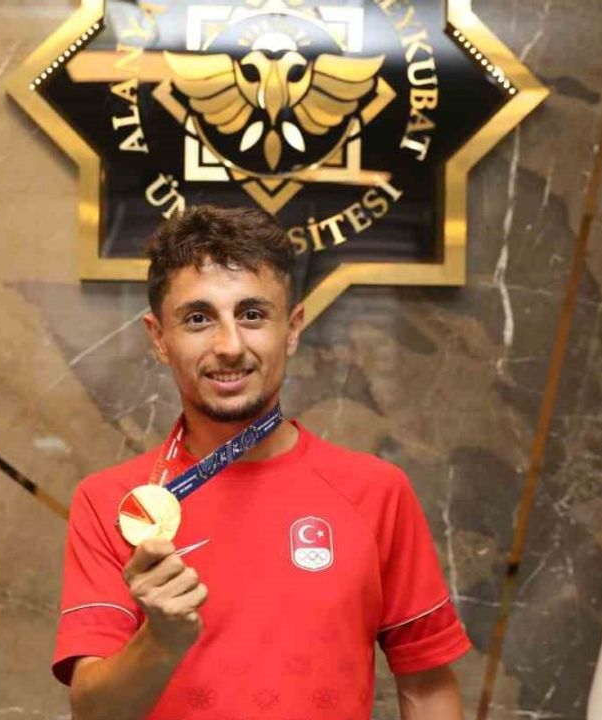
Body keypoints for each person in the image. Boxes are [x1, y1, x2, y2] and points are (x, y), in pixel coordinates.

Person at [52, 206, 470, 719]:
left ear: (292, 328)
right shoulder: (113, 504)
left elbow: (427, 687)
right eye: (198, 318)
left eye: (252, 315)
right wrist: (160, 642)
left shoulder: (376, 491)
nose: (229, 346)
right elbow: (93, 713)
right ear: (159, 338)